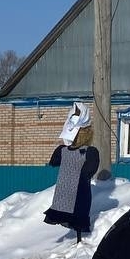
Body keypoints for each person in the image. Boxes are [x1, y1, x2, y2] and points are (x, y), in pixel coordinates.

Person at [43, 103, 101, 242]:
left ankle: (79, 240)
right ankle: (78, 239)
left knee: (77, 214)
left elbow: (88, 172)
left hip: (73, 192)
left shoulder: (85, 152)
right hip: (70, 191)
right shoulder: (66, 150)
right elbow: (55, 162)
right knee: (72, 213)